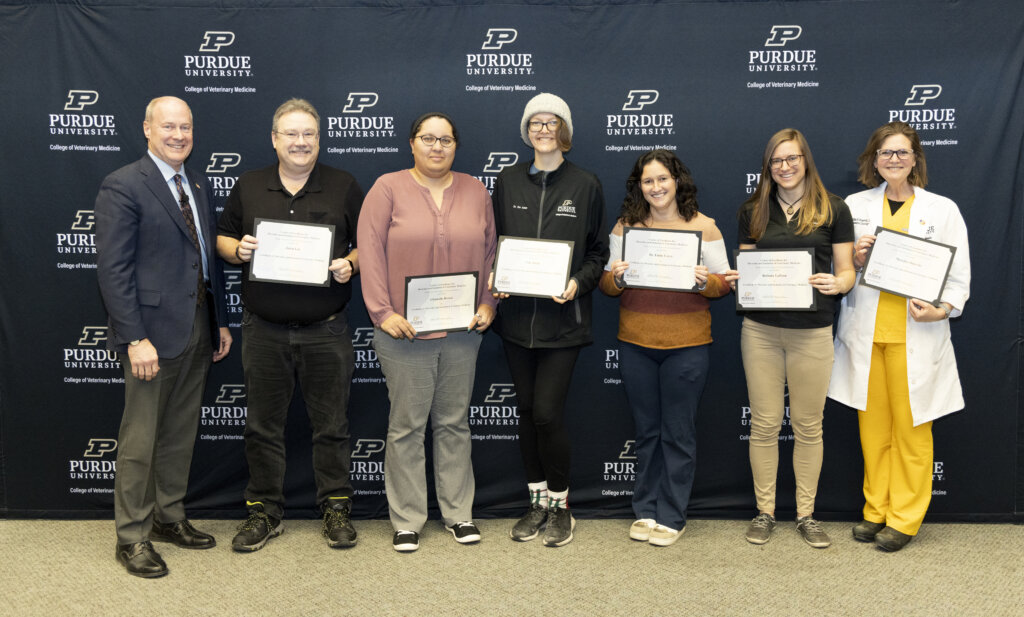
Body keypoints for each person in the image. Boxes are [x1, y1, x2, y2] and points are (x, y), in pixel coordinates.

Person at [217, 98, 363, 552]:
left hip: (328, 328)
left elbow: (368, 245)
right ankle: (263, 512)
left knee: (332, 425)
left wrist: (350, 265)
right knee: (262, 426)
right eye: (291, 134)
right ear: (275, 139)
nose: (301, 143)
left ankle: (335, 506)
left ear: (319, 139)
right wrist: (236, 251)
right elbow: (222, 237)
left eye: (309, 135)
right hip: (264, 330)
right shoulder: (249, 185)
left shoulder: (344, 185)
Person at [96, 96, 232, 578]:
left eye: (186, 127)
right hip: (150, 334)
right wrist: (135, 338)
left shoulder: (196, 181)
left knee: (178, 432)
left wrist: (218, 321)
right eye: (169, 126)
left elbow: (205, 260)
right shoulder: (124, 184)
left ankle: (168, 517)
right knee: (140, 438)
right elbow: (113, 271)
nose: (179, 135)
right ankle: (131, 536)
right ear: (147, 130)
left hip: (196, 326)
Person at [358, 112, 496, 553]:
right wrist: (382, 313)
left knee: (454, 422)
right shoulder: (387, 188)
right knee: (406, 426)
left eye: (446, 140)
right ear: (412, 143)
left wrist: (489, 303)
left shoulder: (476, 190)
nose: (437, 147)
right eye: (428, 138)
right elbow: (371, 253)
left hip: (462, 331)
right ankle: (408, 519)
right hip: (405, 332)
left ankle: (458, 514)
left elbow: (493, 252)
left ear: (456, 146)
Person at [828, 122, 970, 552]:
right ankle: (877, 509)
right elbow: (840, 273)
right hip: (866, 336)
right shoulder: (853, 206)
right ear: (874, 160)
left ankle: (905, 518)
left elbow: (959, 276)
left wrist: (941, 309)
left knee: (911, 432)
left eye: (902, 153)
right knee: (873, 432)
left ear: (915, 159)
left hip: (916, 334)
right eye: (886, 153)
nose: (894, 160)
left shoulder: (942, 210)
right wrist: (852, 256)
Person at [724, 128, 855, 548]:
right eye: (777, 161)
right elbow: (745, 265)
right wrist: (737, 279)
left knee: (808, 426)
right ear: (769, 166)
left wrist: (839, 284)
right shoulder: (753, 209)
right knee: (763, 424)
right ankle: (765, 512)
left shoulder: (834, 209)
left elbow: (848, 270)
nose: (784, 167)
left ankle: (806, 514)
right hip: (760, 331)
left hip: (812, 332)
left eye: (792, 159)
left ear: (806, 160)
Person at [491, 93, 609, 547]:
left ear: (565, 131)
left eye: (552, 122)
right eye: (535, 123)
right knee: (525, 413)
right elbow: (496, 244)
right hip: (517, 319)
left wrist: (579, 283)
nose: (543, 129)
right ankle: (536, 500)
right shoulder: (506, 181)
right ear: (526, 131)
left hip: (564, 320)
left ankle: (561, 505)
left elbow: (599, 253)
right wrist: (498, 279)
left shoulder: (586, 184)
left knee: (546, 412)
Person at [599, 149, 730, 546]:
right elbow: (606, 285)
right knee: (646, 432)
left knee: (678, 433)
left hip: (687, 346)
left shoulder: (704, 228)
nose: (655, 188)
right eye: (647, 181)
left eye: (662, 179)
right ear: (639, 186)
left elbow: (723, 284)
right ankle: (645, 510)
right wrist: (618, 278)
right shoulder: (626, 227)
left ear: (677, 182)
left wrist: (702, 281)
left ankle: (672, 515)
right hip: (635, 344)